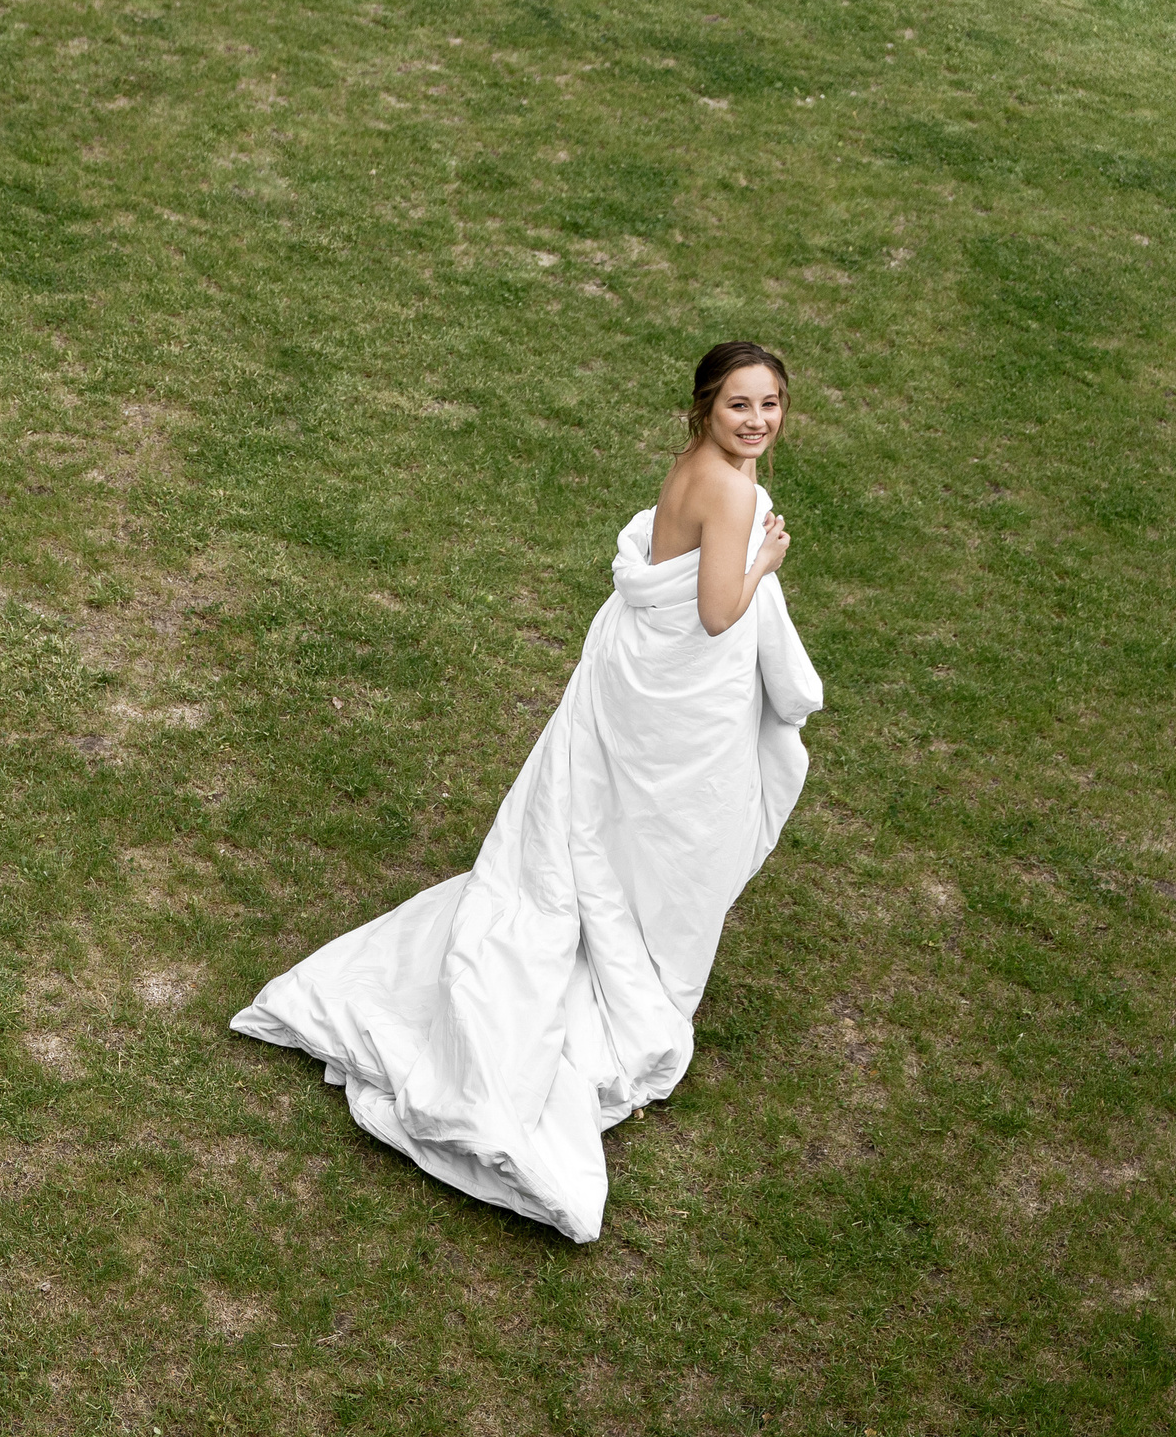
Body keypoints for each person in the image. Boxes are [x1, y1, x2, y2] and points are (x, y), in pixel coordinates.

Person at [230, 343, 825, 1242]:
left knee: (613, 831)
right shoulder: (738, 492)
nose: (756, 420)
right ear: (706, 408)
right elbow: (713, 612)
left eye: (771, 404)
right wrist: (766, 561)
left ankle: (601, 938)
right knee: (666, 842)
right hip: (677, 698)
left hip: (637, 676)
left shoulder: (698, 469)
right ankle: (610, 986)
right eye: (739, 405)